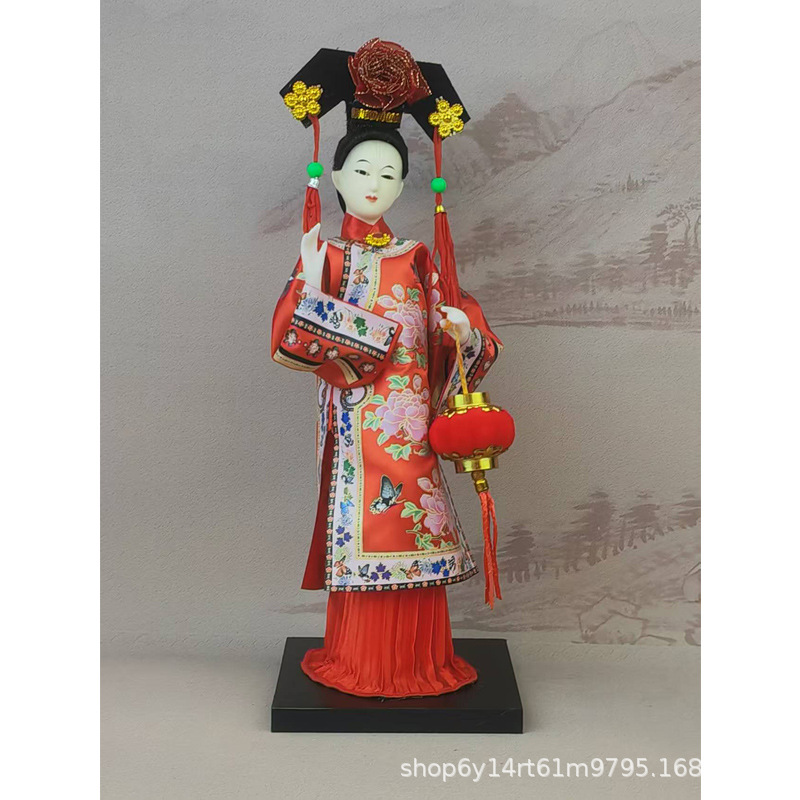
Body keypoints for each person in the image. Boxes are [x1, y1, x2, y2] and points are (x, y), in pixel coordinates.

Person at [270, 39, 502, 698]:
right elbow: (288, 337)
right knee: (367, 525)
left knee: (415, 523)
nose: (375, 184)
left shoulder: (417, 256)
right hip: (355, 423)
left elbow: (456, 327)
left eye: (390, 174)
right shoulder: (323, 254)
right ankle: (362, 658)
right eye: (363, 170)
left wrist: (461, 332)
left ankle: (416, 659)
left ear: (404, 185)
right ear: (337, 177)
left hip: (412, 422)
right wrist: (344, 317)